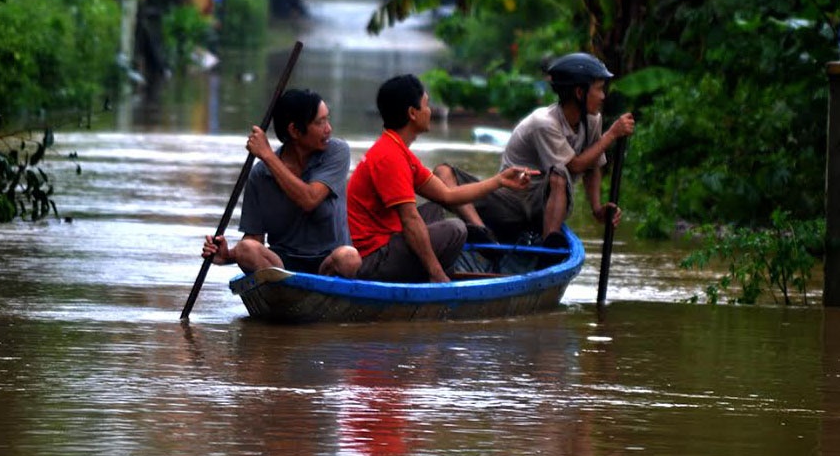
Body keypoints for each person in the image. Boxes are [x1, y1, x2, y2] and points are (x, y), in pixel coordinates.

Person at [433, 52, 636, 251]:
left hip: (546, 205)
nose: (603, 96)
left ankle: (549, 242)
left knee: (558, 173)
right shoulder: (544, 123)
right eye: (599, 89)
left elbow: (591, 167)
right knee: (443, 172)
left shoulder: (593, 120)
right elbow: (575, 165)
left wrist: (597, 209)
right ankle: (482, 230)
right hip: (510, 203)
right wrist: (611, 135)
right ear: (580, 93)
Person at [347, 74, 534, 283]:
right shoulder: (390, 156)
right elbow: (410, 220)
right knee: (455, 229)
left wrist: (499, 181)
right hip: (373, 260)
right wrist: (436, 272)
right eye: (426, 105)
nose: (429, 111)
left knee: (435, 209)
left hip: (387, 242)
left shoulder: (397, 149)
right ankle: (431, 273)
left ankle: (431, 268)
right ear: (412, 113)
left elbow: (448, 195)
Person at [202, 89, 361, 278]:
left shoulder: (336, 152)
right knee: (246, 248)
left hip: (327, 263)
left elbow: (309, 199)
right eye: (320, 122)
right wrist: (227, 255)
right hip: (282, 266)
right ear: (294, 130)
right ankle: (285, 291)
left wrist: (268, 155)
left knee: (349, 257)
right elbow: (254, 239)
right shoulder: (260, 174)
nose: (329, 129)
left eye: (327, 119)